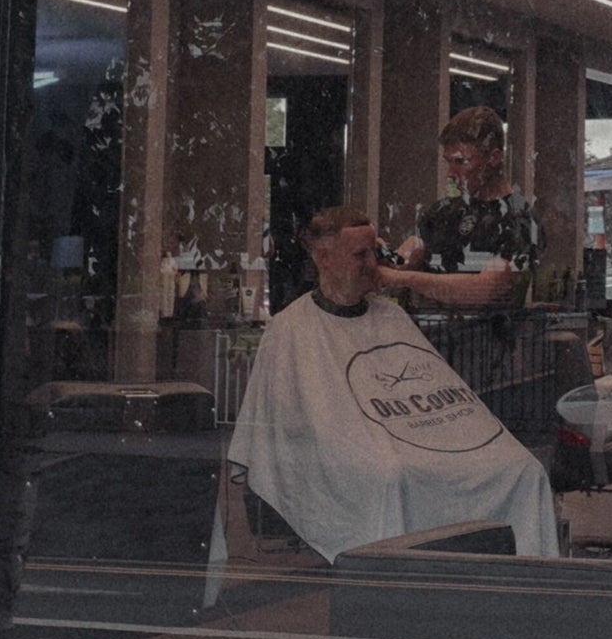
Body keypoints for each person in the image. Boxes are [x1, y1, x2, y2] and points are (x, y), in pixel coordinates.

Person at [225, 205, 560, 562]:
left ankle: (523, 588)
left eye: (374, 252)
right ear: (324, 258)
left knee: (522, 469)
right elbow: (291, 430)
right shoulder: (291, 329)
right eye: (360, 254)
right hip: (352, 456)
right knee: (390, 475)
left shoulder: (392, 316)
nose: (374, 264)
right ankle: (390, 587)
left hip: (420, 438)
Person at [382, 106, 540, 396]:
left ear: (493, 158)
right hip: (428, 354)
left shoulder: (519, 219)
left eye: (460, 161)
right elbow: (403, 259)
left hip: (485, 361)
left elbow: (483, 290)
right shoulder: (443, 211)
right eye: (448, 162)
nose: (451, 173)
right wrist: (377, 253)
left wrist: (403, 280)